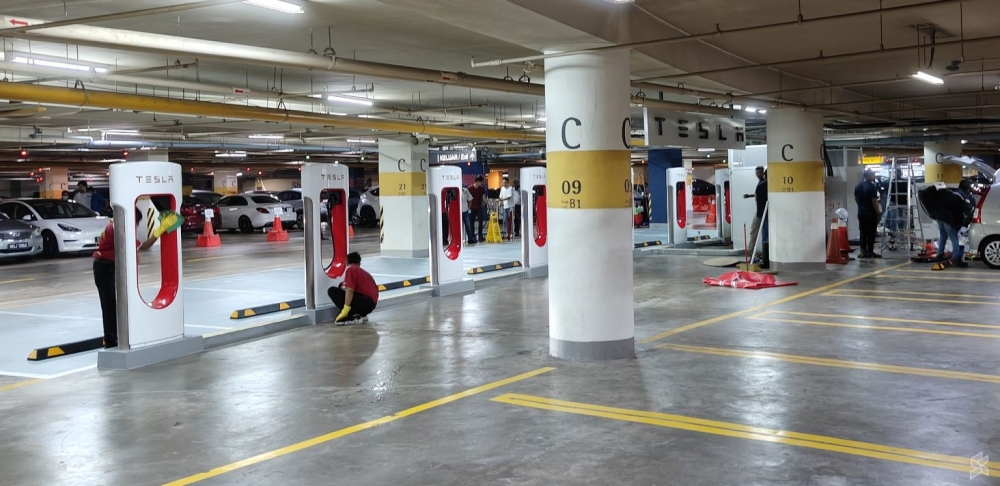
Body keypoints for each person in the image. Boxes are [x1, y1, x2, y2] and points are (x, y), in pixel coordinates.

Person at [94, 208, 159, 348]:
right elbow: (144, 246)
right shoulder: (119, 230)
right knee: (109, 305)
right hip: (105, 267)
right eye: (137, 222)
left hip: (112, 265)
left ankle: (118, 335)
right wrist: (159, 232)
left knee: (118, 302)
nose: (136, 226)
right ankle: (111, 340)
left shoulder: (116, 225)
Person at [919, 183, 973, 270]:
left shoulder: (943, 193)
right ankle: (956, 259)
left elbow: (923, 193)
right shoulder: (958, 196)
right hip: (947, 217)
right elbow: (966, 208)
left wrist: (935, 186)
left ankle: (940, 254)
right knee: (954, 237)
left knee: (943, 235)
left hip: (939, 216)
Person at [328, 252, 379, 325]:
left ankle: (350, 316)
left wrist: (345, 309)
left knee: (332, 291)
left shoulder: (351, 270)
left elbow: (350, 290)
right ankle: (361, 315)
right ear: (359, 262)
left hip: (364, 303)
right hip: (370, 305)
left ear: (347, 261)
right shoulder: (364, 273)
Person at [854, 169, 882, 258]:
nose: (873, 176)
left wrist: (861, 206)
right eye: (872, 175)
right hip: (870, 213)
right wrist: (878, 212)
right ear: (868, 176)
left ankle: (862, 252)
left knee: (862, 232)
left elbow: (856, 198)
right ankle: (870, 251)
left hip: (861, 212)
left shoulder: (858, 186)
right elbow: (874, 201)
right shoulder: (872, 186)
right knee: (871, 232)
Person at [742, 166, 767, 259]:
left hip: (761, 212)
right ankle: (752, 251)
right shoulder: (761, 183)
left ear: (763, 173)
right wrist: (750, 195)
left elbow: (760, 195)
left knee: (754, 231)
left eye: (759, 172)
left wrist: (755, 196)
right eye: (756, 173)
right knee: (756, 231)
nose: (758, 174)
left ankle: (751, 252)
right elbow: (758, 194)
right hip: (760, 211)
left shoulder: (762, 184)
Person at [467, 176, 487, 242]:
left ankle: (480, 236)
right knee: (471, 223)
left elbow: (483, 197)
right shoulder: (469, 188)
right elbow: (467, 198)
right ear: (477, 181)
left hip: (479, 207)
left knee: (481, 221)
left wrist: (488, 204)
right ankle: (472, 236)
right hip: (471, 208)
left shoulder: (481, 189)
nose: (482, 183)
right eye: (481, 182)